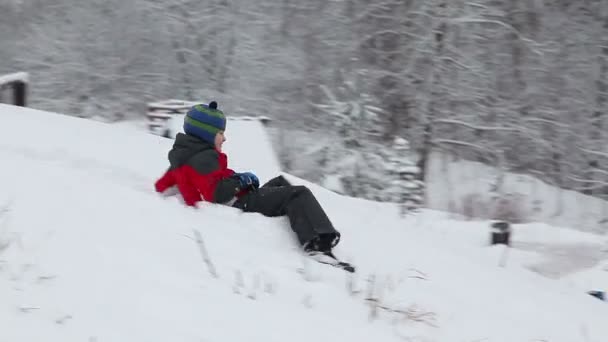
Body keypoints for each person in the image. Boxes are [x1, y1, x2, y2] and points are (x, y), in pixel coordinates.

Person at [154, 101, 341, 256]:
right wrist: (240, 181)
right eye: (221, 133)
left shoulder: (187, 155)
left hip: (236, 198)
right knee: (299, 193)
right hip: (235, 203)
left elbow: (163, 185)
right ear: (207, 133)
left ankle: (305, 225)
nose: (224, 138)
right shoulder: (204, 157)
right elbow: (216, 193)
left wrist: (234, 178)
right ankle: (318, 245)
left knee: (280, 183)